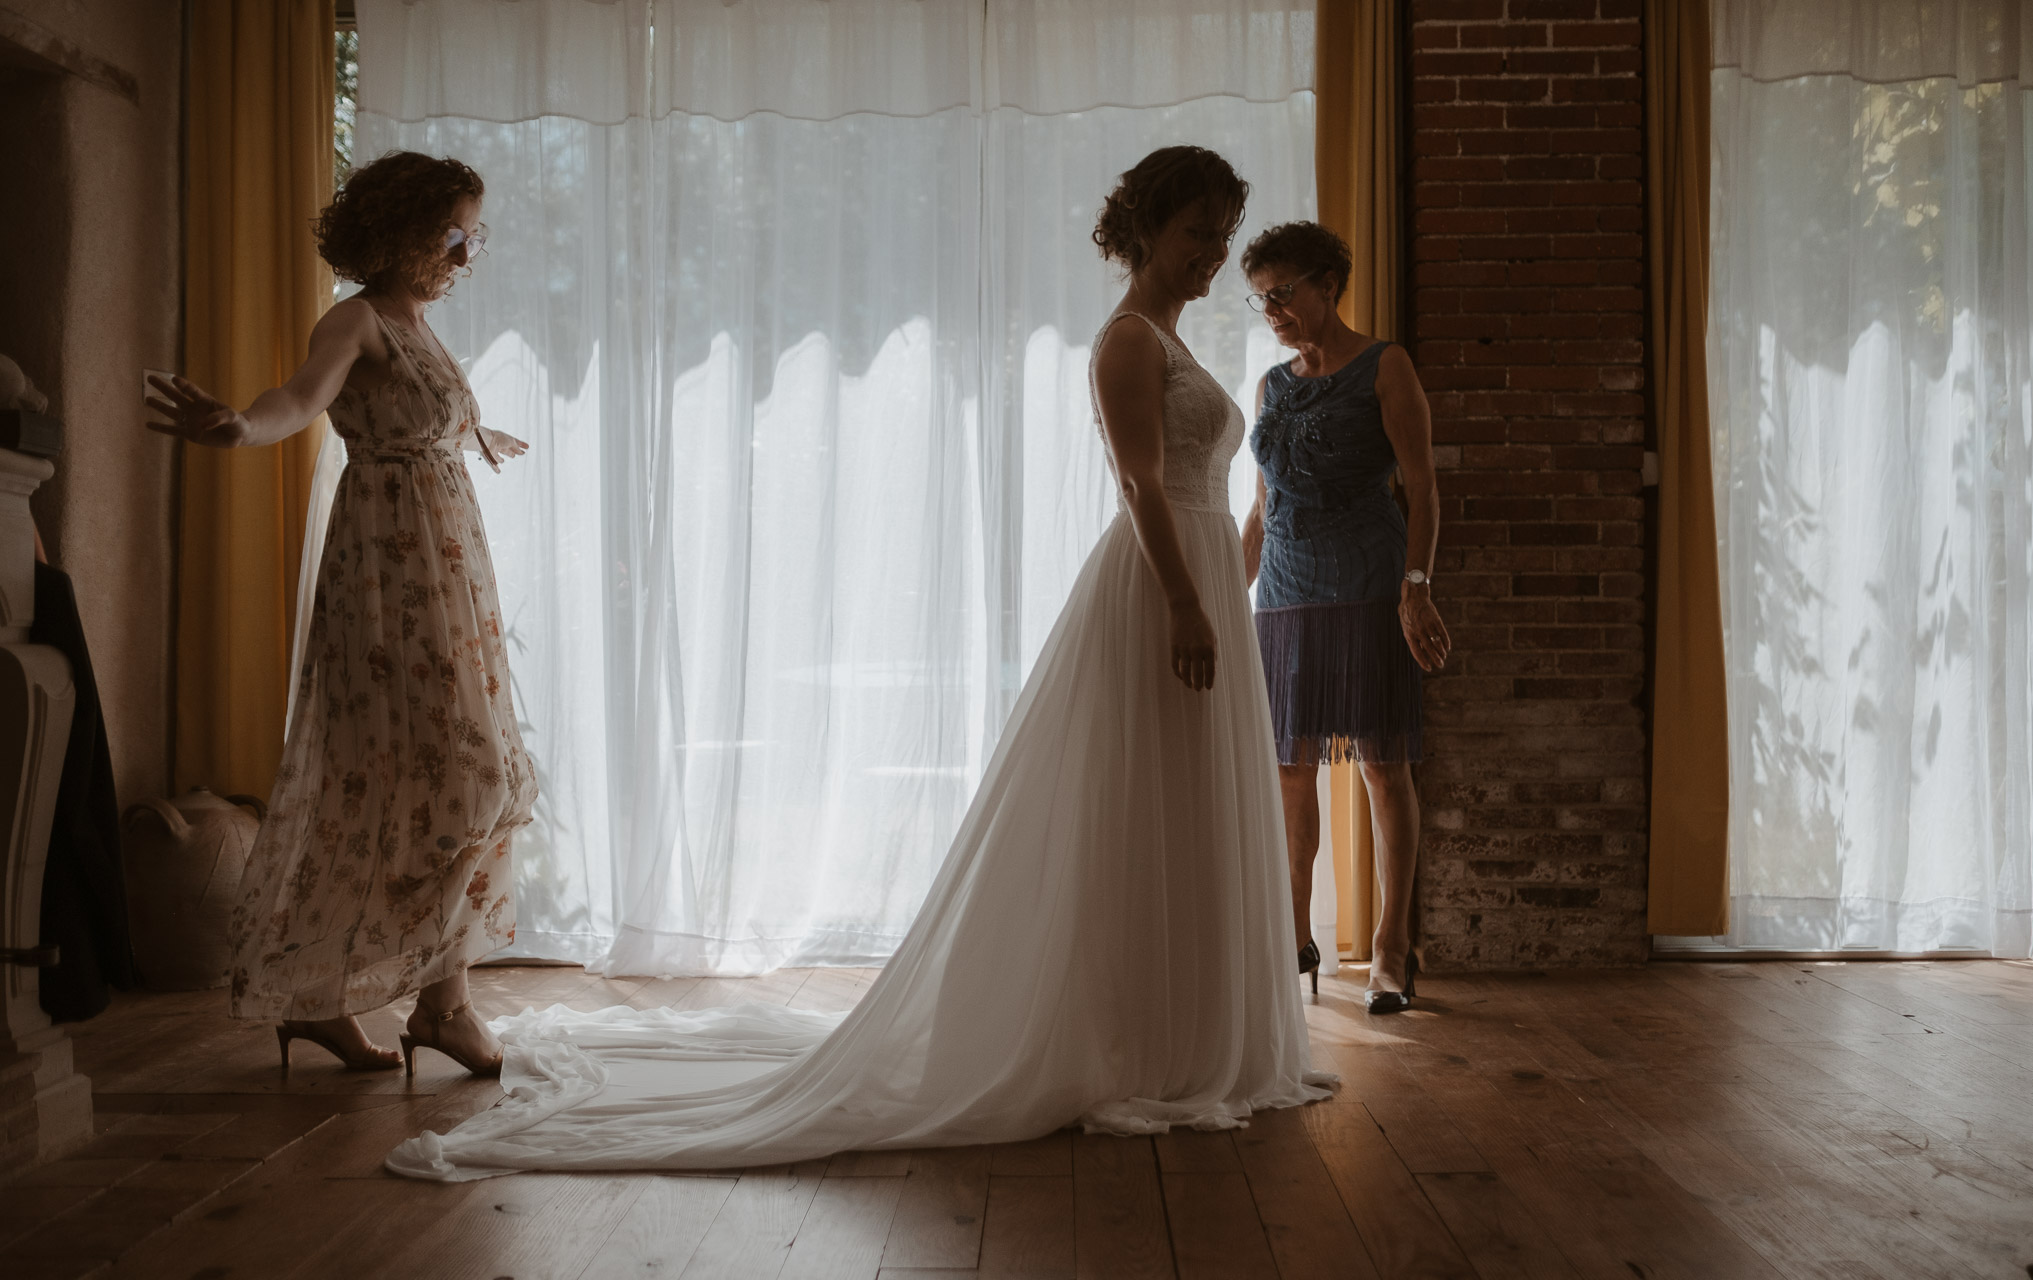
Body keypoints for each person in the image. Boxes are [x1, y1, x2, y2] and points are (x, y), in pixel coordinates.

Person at [382, 145, 1332, 1180]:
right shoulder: (1124, 341)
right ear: (1149, 228)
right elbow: (1142, 483)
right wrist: (1188, 604)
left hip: (1198, 586)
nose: (1213, 254)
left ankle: (1191, 1034)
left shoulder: (1175, 337)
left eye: (1222, 235)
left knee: (1188, 806)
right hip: (1161, 589)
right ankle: (1130, 1039)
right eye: (1199, 232)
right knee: (1141, 805)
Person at [146, 151, 534, 1075]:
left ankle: (342, 996)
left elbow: (413, 411)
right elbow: (302, 397)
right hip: (391, 580)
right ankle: (435, 1008)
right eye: (455, 233)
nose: (466, 252)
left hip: (448, 576)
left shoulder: (423, 329)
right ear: (404, 232)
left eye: (472, 234)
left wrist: (472, 433)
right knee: (451, 773)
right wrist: (242, 426)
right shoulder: (355, 318)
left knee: (443, 776)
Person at [1238, 221, 1448, 1014]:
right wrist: (1231, 590)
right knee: (1289, 772)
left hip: (1368, 587)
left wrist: (1416, 583)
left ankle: (1393, 949)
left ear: (1329, 284)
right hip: (1284, 596)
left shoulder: (1385, 366)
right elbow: (1262, 507)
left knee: (1381, 767)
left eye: (1284, 292)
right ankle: (1295, 940)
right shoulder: (1270, 384)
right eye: (1261, 299)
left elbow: (1424, 488)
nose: (1273, 310)